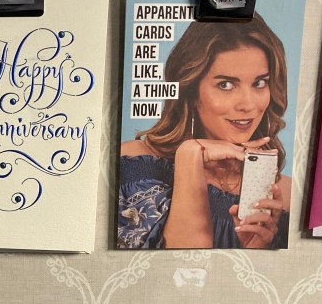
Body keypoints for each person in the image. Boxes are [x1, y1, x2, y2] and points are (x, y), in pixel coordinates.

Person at [118, 14, 291, 249]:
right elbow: (176, 262)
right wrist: (190, 155)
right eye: (225, 85)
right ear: (191, 92)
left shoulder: (284, 193)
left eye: (259, 83)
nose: (248, 104)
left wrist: (254, 250)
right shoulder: (137, 167)